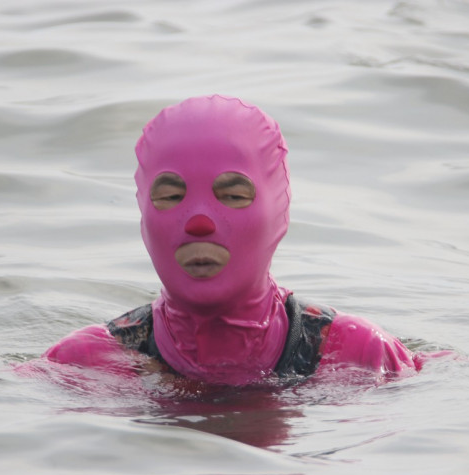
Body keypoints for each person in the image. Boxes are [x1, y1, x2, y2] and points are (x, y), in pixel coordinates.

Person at [40, 95, 434, 386]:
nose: (198, 223)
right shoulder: (87, 364)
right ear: (144, 213)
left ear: (277, 211)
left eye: (232, 196)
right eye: (171, 197)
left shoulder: (356, 354)